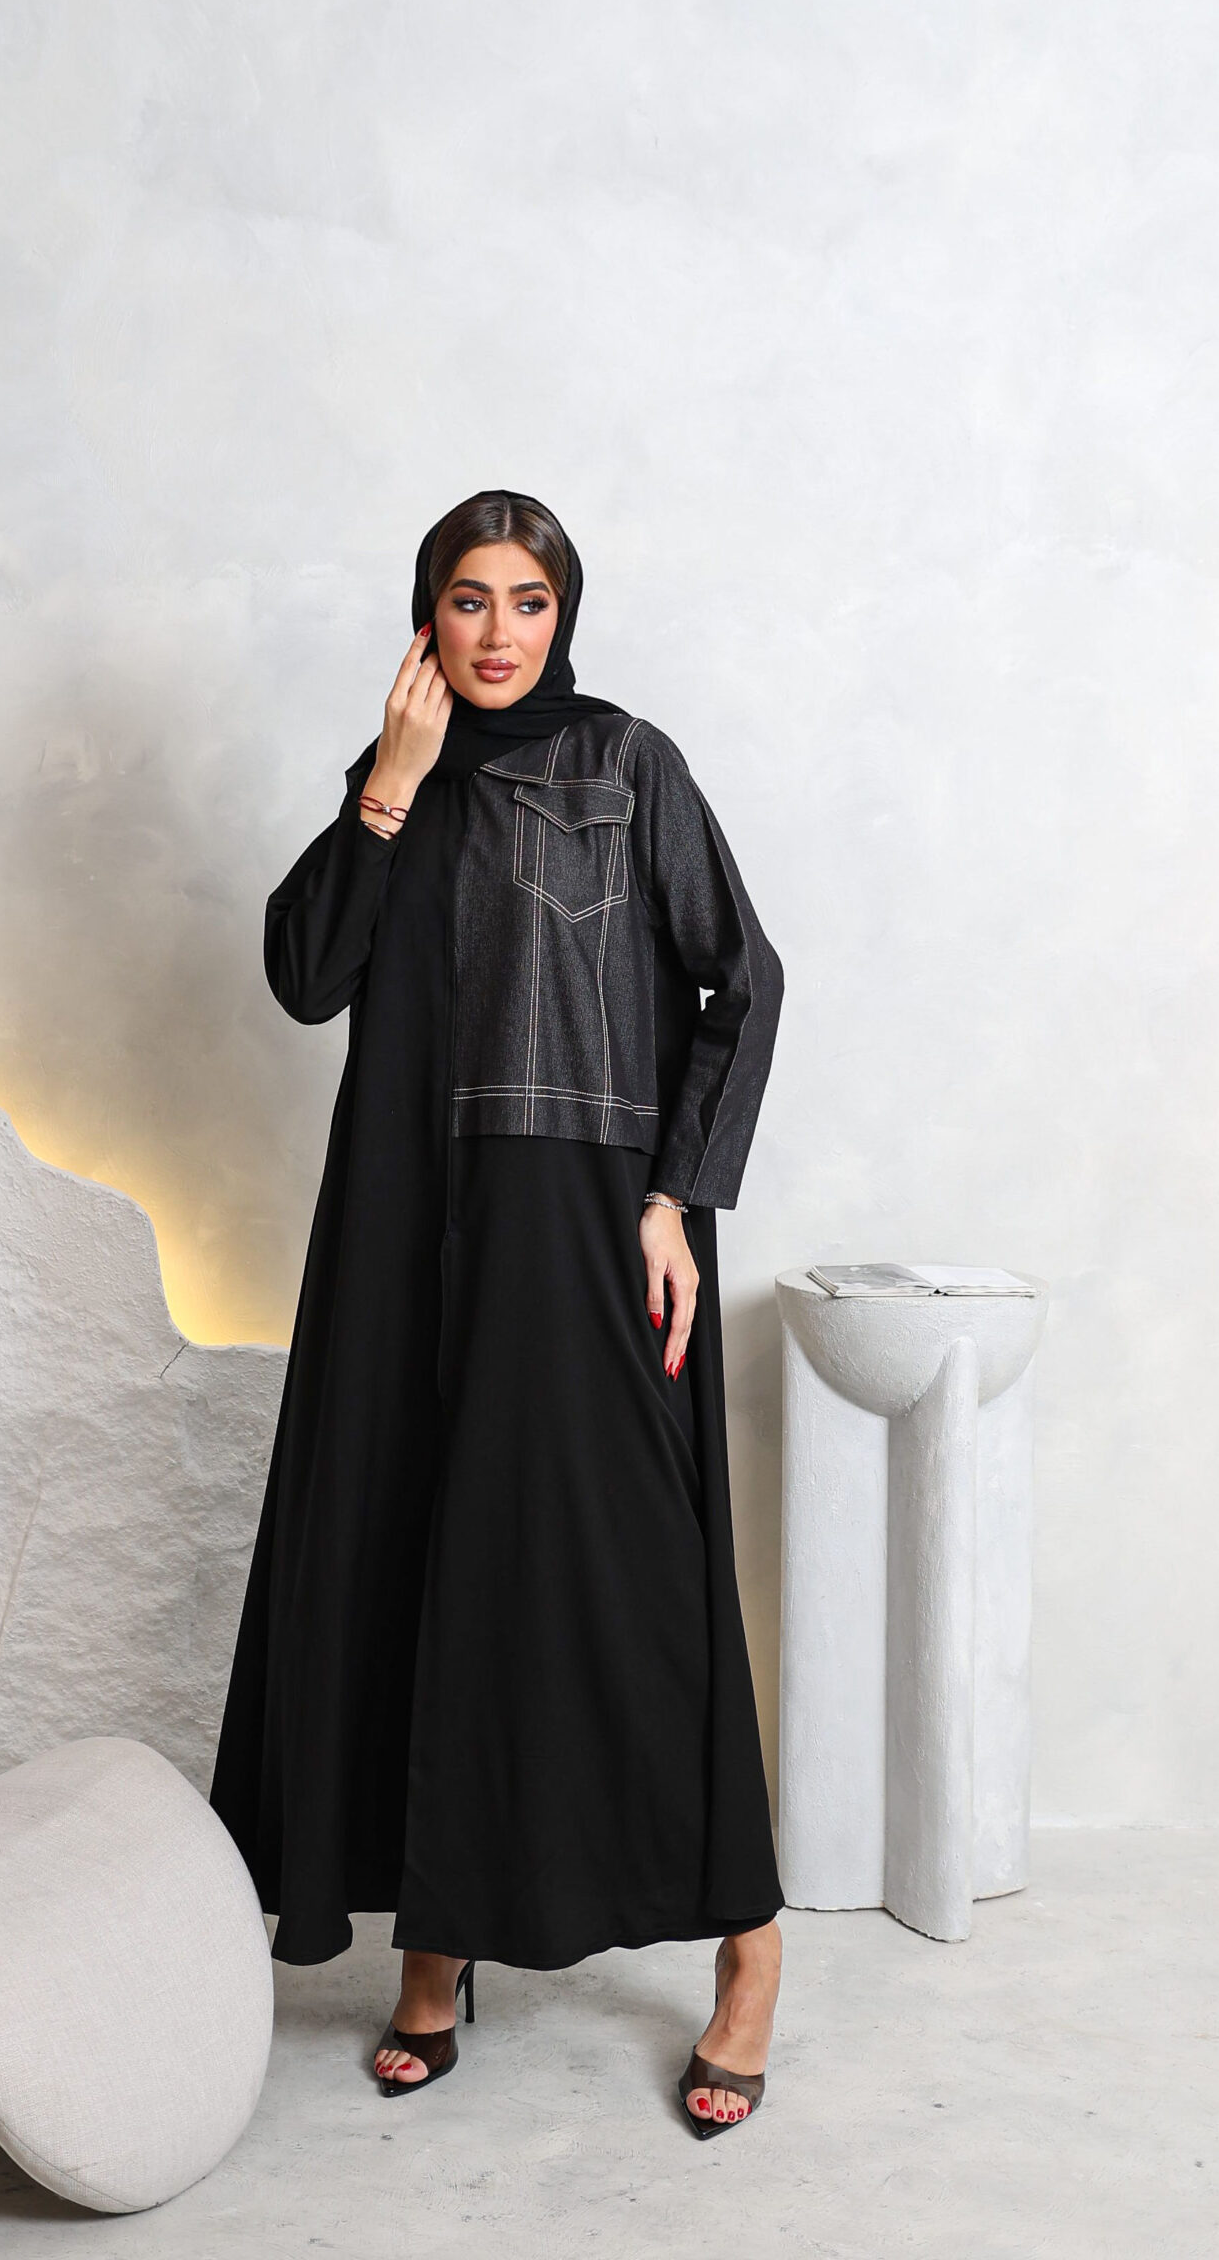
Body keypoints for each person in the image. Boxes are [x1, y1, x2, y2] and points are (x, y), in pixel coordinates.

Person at [209, 489, 785, 2136]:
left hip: (587, 1230)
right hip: (409, 1231)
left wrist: (675, 1200)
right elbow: (306, 975)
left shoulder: (628, 766)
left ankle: (748, 1951)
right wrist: (387, 787)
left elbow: (741, 982)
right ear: (427, 617)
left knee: (629, 1582)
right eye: (470, 599)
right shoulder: (399, 778)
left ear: (563, 615)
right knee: (423, 1569)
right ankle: (435, 1948)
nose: (500, 632)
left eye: (529, 601)